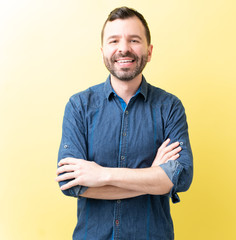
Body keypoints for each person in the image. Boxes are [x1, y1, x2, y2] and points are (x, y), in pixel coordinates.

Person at [55, 6, 193, 240]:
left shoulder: (169, 107)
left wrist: (101, 175)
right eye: (114, 40)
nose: (123, 48)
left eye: (134, 40)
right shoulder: (79, 106)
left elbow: (178, 178)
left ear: (149, 51)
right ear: (103, 52)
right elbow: (71, 183)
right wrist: (152, 176)